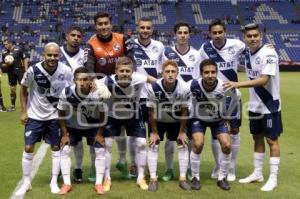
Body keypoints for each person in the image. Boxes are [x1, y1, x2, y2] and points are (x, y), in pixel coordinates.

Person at [223, 23, 282, 192]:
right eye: (249, 36)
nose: (253, 38)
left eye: (255, 35)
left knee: (272, 140)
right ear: (245, 38)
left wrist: (237, 84)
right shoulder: (248, 52)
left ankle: (273, 177)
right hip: (255, 104)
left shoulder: (269, 53)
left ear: (261, 36)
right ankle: (257, 173)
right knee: (257, 137)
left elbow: (264, 80)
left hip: (270, 104)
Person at [16, 42, 73, 196]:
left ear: (59, 56)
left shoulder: (66, 71)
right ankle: (26, 182)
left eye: (55, 55)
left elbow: (71, 90)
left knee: (55, 148)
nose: (52, 58)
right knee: (28, 148)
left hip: (55, 117)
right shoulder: (33, 70)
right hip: (34, 116)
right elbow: (23, 90)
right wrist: (23, 112)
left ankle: (54, 182)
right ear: (43, 55)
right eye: (49, 55)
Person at [96, 56, 156, 191]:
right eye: (121, 70)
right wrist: (98, 86)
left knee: (141, 143)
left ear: (132, 72)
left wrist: (162, 88)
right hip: (113, 116)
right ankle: (107, 178)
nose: (124, 73)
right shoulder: (108, 80)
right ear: (116, 71)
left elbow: (154, 81)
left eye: (127, 71)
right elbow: (93, 82)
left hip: (133, 115)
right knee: (108, 145)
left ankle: (141, 177)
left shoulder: (138, 78)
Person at [84, 12, 130, 179]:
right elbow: (88, 66)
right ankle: (94, 166)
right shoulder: (90, 44)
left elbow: (131, 61)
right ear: (96, 26)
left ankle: (122, 162)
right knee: (97, 129)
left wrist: (122, 81)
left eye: (106, 23)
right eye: (100, 24)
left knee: (123, 128)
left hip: (121, 88)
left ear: (111, 24)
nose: (103, 26)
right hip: (100, 90)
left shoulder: (122, 39)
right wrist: (96, 83)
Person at [198, 19, 245, 181]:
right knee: (217, 133)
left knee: (234, 130)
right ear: (210, 34)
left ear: (225, 32)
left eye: (220, 32)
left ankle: (231, 167)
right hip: (213, 97)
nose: (217, 35)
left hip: (232, 95)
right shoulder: (205, 48)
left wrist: (268, 48)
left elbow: (253, 48)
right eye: (214, 33)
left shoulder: (237, 45)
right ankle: (219, 166)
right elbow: (199, 71)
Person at [57, 67, 111, 195]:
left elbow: (104, 113)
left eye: (85, 79)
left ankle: (98, 184)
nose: (82, 82)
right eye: (79, 79)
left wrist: (100, 134)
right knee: (64, 149)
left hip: (92, 127)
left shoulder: (97, 93)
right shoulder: (66, 92)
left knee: (100, 149)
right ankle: (66, 184)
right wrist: (64, 134)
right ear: (74, 80)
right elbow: (61, 113)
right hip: (73, 127)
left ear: (90, 80)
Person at [188, 59, 239, 191]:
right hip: (198, 118)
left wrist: (227, 116)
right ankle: (195, 177)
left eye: (213, 72)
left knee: (227, 145)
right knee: (198, 144)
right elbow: (182, 94)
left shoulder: (224, 86)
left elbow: (236, 97)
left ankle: (222, 178)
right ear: (201, 73)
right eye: (206, 72)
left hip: (217, 120)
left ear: (217, 72)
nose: (210, 75)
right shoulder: (193, 85)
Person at [162, 21, 201, 181]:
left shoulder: (197, 54)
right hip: (171, 102)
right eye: (180, 33)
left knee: (189, 138)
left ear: (189, 35)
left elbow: (198, 78)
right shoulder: (167, 53)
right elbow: (161, 74)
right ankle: (169, 169)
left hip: (190, 101)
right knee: (171, 138)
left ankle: (189, 169)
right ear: (175, 34)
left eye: (186, 32)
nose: (183, 35)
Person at [126, 16, 165, 177]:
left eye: (148, 28)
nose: (145, 31)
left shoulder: (159, 46)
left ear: (152, 29)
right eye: (142, 27)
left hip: (154, 96)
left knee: (154, 131)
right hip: (135, 96)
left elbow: (162, 69)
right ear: (137, 28)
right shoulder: (130, 45)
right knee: (134, 133)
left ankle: (150, 163)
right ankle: (134, 163)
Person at [147, 60, 190, 192]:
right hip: (158, 120)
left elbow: (184, 110)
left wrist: (182, 131)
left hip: (176, 120)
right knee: (153, 144)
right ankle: (153, 179)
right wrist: (154, 132)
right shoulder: (153, 87)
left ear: (177, 73)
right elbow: (152, 111)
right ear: (162, 73)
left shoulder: (184, 87)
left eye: (173, 72)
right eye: (167, 72)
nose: (170, 74)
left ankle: (182, 178)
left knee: (182, 144)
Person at [60, 25, 96, 183]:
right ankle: (74, 168)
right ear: (67, 36)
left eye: (78, 36)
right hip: (65, 100)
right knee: (70, 140)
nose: (75, 38)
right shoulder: (57, 53)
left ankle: (93, 169)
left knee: (90, 137)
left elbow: (92, 72)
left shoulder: (85, 54)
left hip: (87, 100)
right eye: (72, 35)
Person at [1, 38, 29, 111]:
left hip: (19, 71)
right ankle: (13, 106)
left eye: (6, 44)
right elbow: (2, 64)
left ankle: (27, 105)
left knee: (23, 88)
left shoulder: (18, 50)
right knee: (12, 89)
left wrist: (26, 70)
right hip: (10, 72)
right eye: (4, 45)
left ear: (10, 43)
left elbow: (25, 58)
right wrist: (7, 64)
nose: (5, 46)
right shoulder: (4, 53)